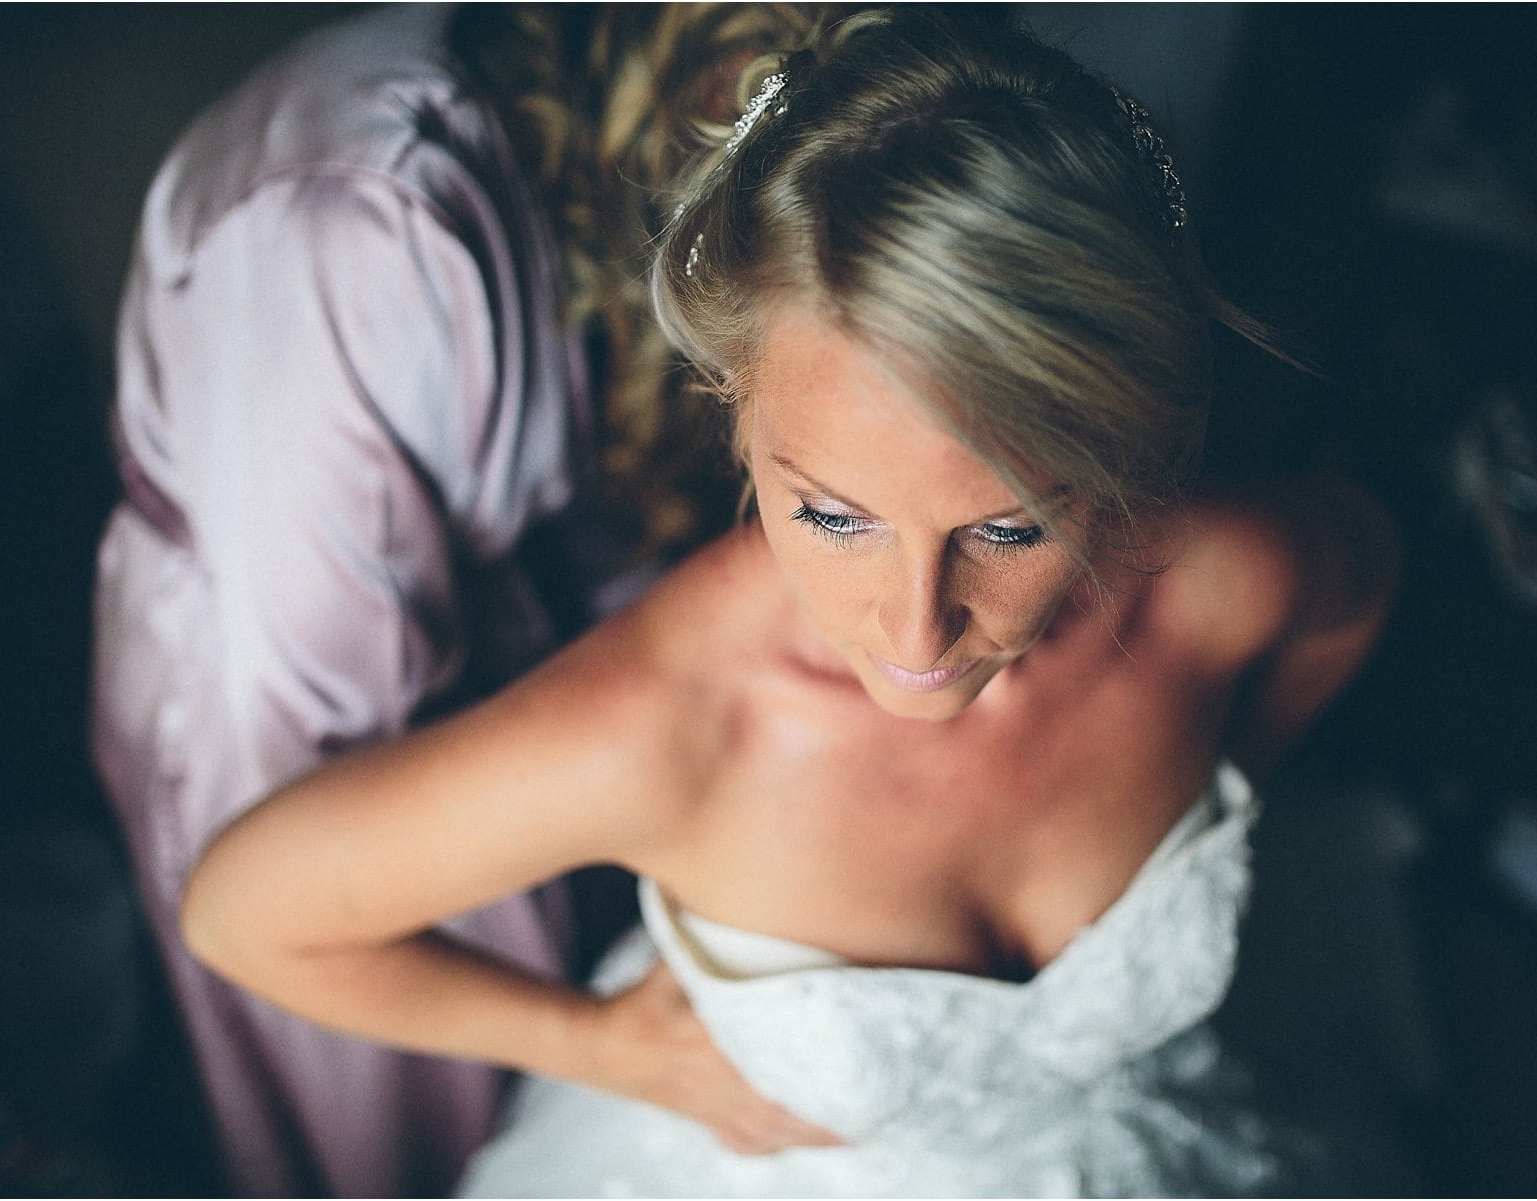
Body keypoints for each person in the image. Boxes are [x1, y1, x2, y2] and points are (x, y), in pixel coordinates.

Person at [179, 8, 1399, 1196]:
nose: (915, 629)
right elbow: (245, 913)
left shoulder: (1229, 583)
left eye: (1010, 525)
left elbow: (1359, 574)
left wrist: (1222, 778)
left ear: (1134, 451)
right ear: (737, 413)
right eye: (832, 514)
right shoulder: (680, 725)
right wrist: (604, 1046)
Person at [88, 4, 841, 1195]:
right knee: (388, 1113)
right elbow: (322, 748)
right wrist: (602, 1044)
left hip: (491, 634)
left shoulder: (608, 131)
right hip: (291, 714)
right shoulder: (358, 220)